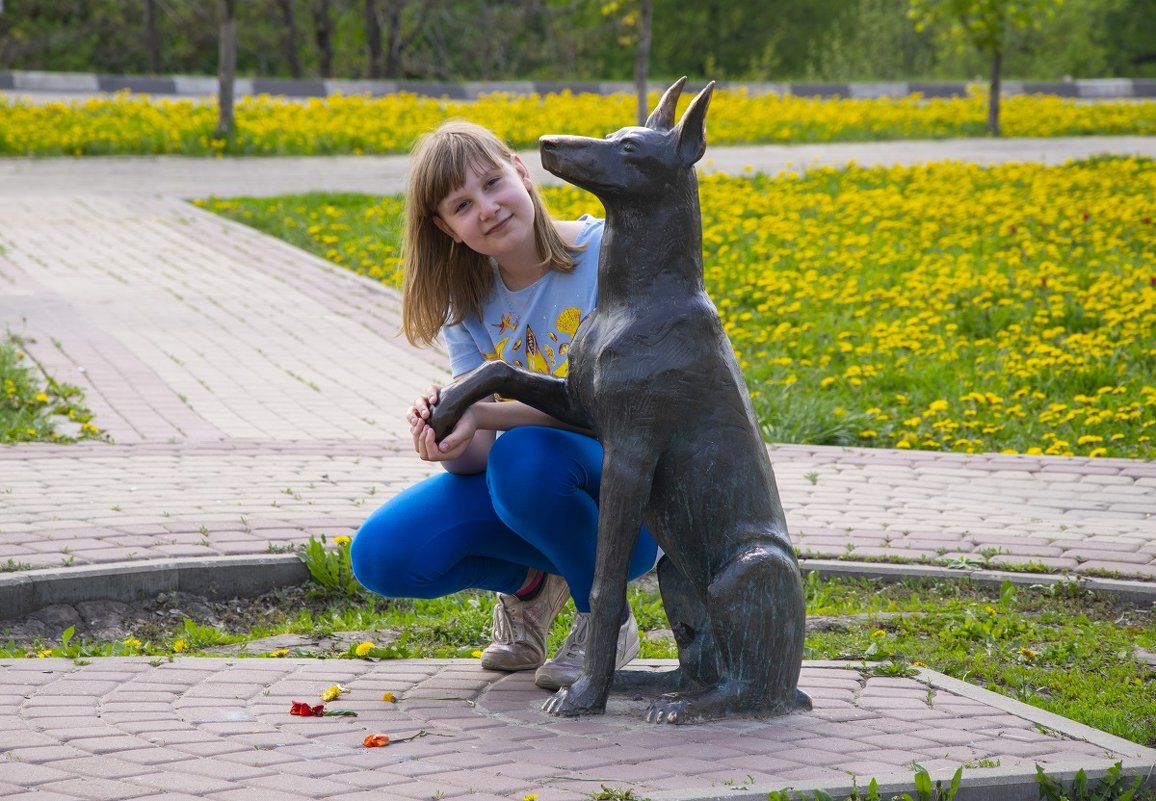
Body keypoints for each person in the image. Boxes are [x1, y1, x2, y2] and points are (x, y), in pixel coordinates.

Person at [350, 120, 659, 690]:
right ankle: (531, 591)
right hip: (534, 487)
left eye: (493, 183)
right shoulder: (467, 303)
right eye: (462, 205)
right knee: (382, 555)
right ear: (446, 229)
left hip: (631, 504)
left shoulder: (608, 254)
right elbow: (477, 460)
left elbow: (624, 410)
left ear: (521, 170)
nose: (487, 208)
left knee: (526, 457)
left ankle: (607, 618)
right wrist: (448, 432)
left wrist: (485, 411)